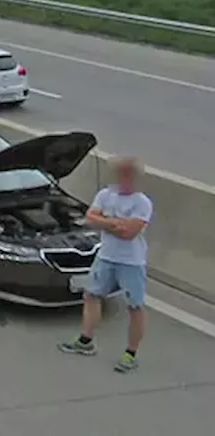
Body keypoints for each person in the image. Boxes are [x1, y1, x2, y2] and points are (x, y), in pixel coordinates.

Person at [60, 157, 154, 372]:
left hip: (132, 262)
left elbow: (130, 232)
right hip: (106, 257)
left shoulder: (142, 202)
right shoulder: (105, 195)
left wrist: (106, 222)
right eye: (121, 174)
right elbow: (90, 218)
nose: (124, 179)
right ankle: (85, 340)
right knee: (91, 296)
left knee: (135, 306)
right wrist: (115, 223)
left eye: (129, 175)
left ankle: (130, 353)